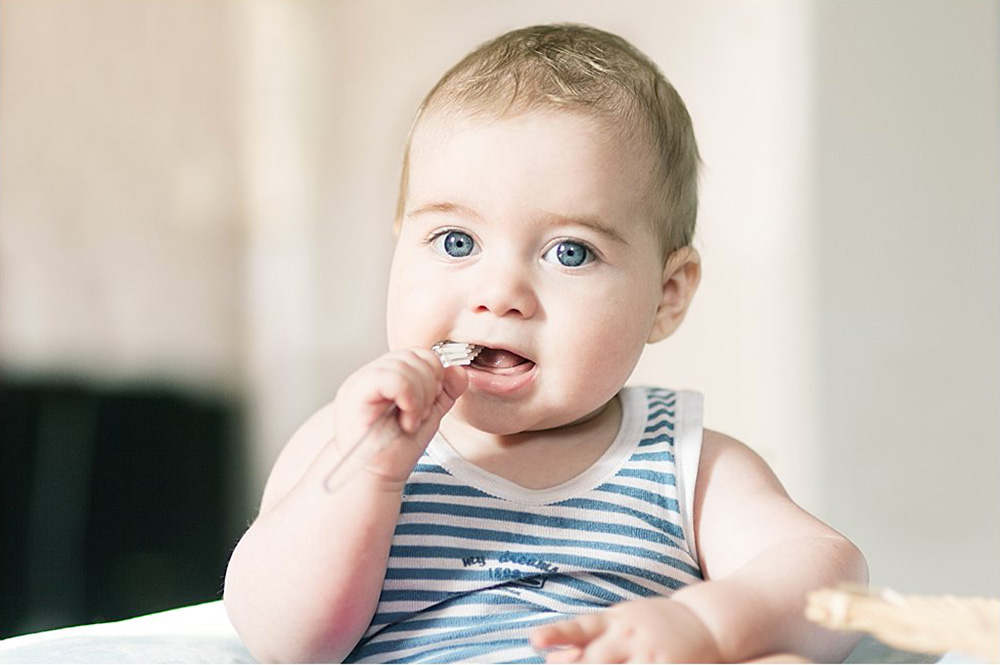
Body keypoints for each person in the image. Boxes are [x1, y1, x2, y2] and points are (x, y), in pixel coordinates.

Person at [223, 23, 867, 663]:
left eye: (570, 252)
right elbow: (284, 642)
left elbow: (830, 580)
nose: (500, 293)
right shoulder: (348, 444)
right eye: (456, 241)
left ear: (666, 296)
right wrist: (370, 474)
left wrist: (706, 626)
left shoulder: (684, 464)